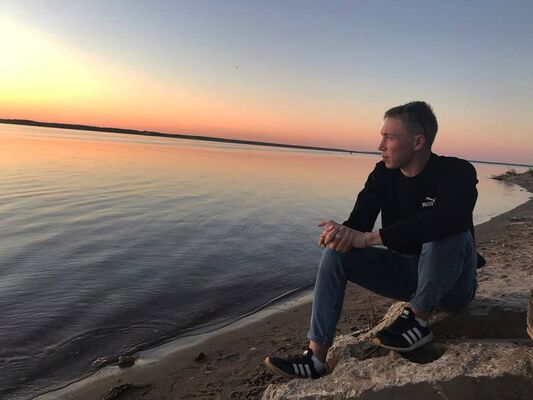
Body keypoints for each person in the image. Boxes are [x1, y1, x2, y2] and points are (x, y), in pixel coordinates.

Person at [264, 101, 482, 380]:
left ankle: (417, 321)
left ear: (418, 141)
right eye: (382, 137)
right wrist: (340, 234)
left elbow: (450, 218)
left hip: (453, 286)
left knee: (447, 231)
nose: (380, 146)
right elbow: (358, 224)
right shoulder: (383, 174)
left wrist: (369, 239)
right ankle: (315, 357)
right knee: (336, 254)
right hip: (405, 274)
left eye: (389, 137)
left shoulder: (457, 171)